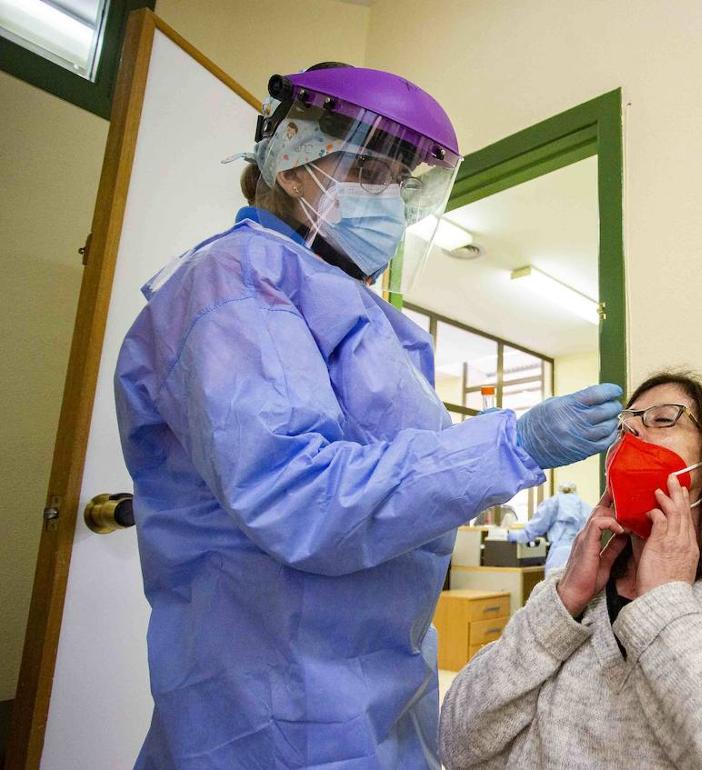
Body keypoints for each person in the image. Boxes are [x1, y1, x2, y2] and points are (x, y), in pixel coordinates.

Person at [113, 62, 622, 769]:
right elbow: (300, 496)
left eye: (401, 184)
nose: (391, 201)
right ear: (293, 163)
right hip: (275, 695)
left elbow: (415, 485)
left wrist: (498, 450)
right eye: (374, 173)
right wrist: (514, 443)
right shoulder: (232, 285)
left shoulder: (371, 320)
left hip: (382, 680)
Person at [440, 371, 702, 768]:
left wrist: (664, 606)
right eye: (623, 427)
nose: (631, 434)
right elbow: (456, 743)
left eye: (662, 419)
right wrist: (563, 604)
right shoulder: (577, 594)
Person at [506, 482, 592, 574]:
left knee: (553, 585)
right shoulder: (585, 506)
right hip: (582, 555)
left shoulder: (554, 502)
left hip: (559, 555)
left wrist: (511, 536)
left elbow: (535, 528)